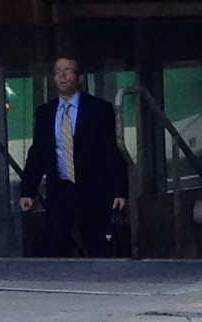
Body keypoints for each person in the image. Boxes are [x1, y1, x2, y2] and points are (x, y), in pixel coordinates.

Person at [20, 55, 130, 257]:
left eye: (67, 71)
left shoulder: (98, 109)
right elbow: (38, 153)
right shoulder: (45, 112)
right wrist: (28, 190)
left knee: (97, 244)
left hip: (93, 190)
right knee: (54, 243)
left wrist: (120, 191)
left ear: (80, 78)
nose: (61, 76)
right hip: (60, 189)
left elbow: (110, 152)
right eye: (57, 72)